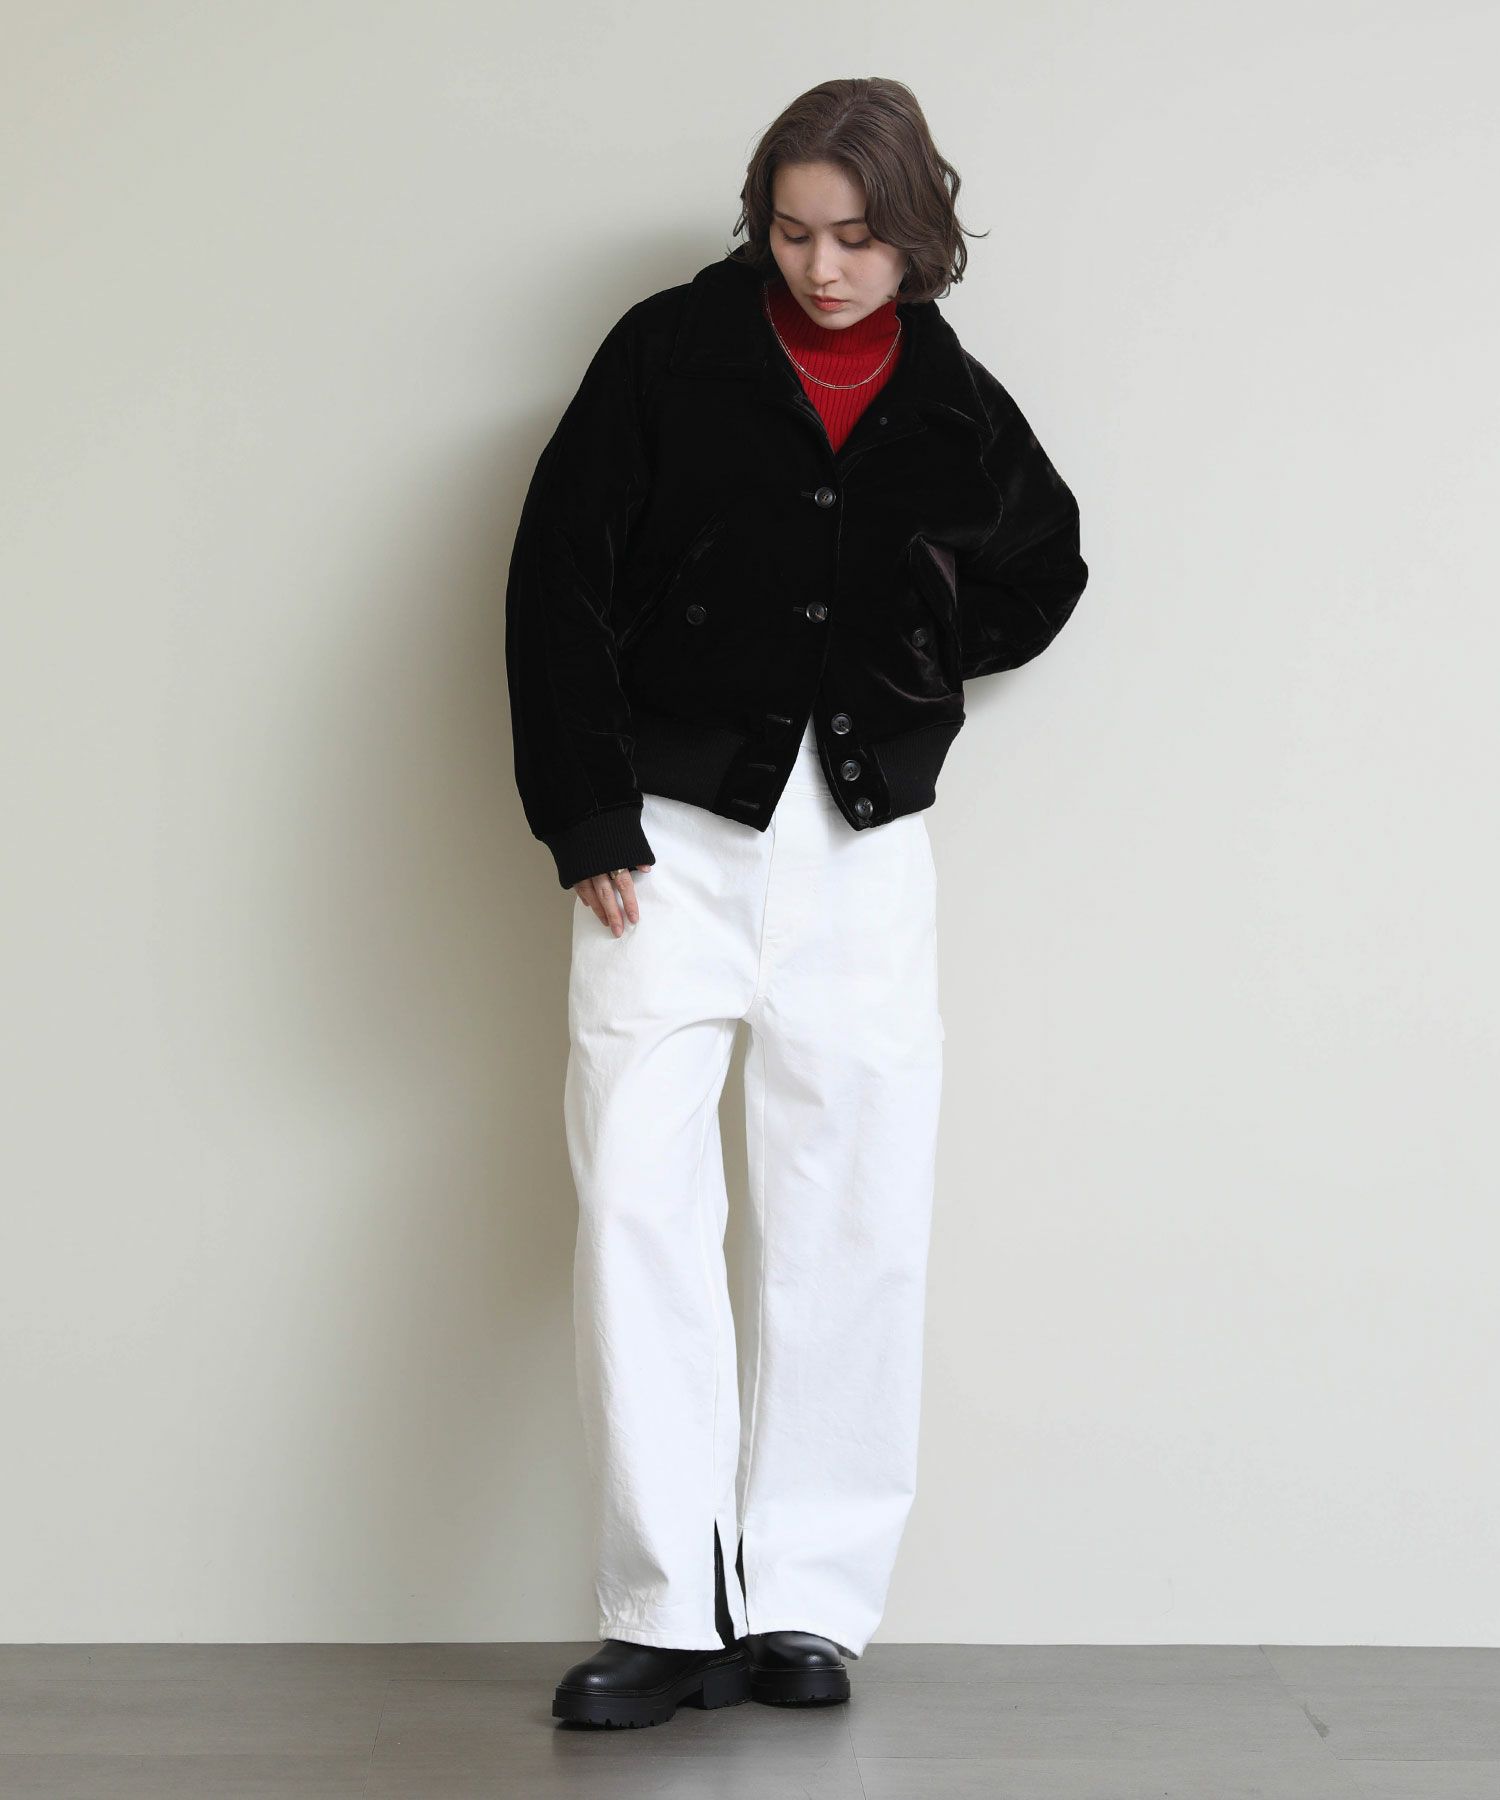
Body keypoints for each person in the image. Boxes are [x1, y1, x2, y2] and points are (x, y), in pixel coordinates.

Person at [504, 77, 1088, 1729]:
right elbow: (555, 574)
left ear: (917, 238)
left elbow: (1045, 565)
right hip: (662, 849)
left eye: (857, 239)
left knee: (853, 1211)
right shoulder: (667, 353)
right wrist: (586, 808)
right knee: (637, 1203)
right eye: (792, 231)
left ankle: (808, 1605)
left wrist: (904, 663)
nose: (822, 269)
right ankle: (665, 1609)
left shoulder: (953, 399)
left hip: (862, 854)